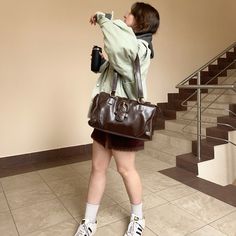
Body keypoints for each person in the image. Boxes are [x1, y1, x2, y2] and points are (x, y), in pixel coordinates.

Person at [74, 2, 160, 236]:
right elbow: (115, 70)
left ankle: (138, 217)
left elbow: (123, 52)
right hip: (107, 114)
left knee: (126, 169)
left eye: (131, 13)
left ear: (141, 21)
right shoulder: (127, 47)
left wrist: (103, 19)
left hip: (125, 118)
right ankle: (89, 221)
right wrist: (103, 62)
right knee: (97, 168)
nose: (125, 15)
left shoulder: (140, 49)